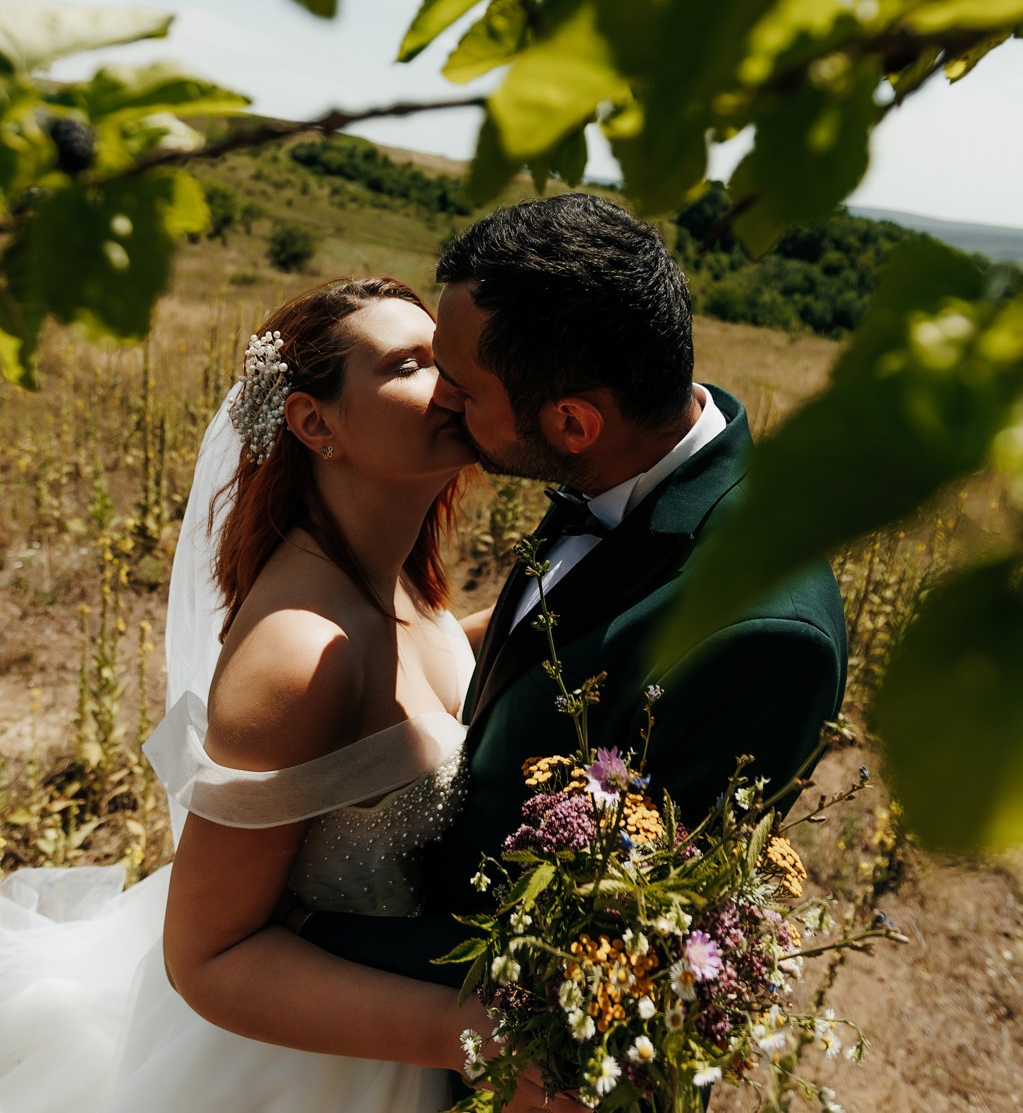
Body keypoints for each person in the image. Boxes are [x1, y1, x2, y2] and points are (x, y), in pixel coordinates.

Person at [0, 277, 512, 1113]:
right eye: (408, 364)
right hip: (311, 1062)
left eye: (442, 356)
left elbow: (423, 658)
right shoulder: (299, 655)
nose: (449, 381)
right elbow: (210, 959)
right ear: (314, 422)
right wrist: (461, 1031)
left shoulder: (390, 573)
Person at [294, 195, 849, 1063]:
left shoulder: (759, 635)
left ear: (572, 423)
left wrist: (301, 945)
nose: (441, 398)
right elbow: (534, 648)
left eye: (466, 389)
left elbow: (618, 951)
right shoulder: (626, 464)